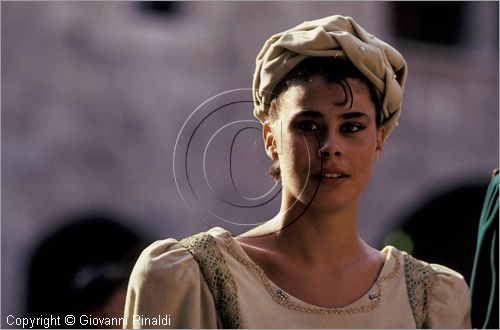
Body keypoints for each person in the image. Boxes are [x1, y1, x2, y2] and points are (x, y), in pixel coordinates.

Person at [123, 15, 471, 328]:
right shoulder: (191, 280)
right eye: (307, 125)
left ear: (378, 139)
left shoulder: (431, 300)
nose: (330, 146)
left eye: (351, 128)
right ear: (270, 138)